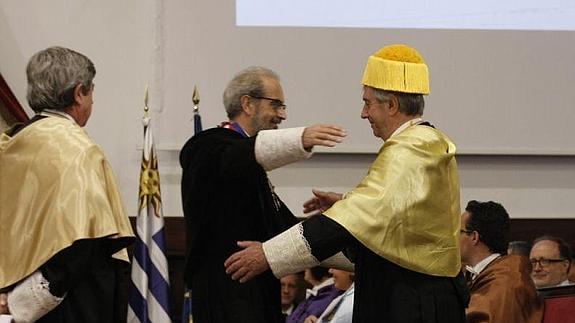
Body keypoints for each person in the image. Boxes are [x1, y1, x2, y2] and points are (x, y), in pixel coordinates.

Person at [224, 44, 468, 322]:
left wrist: (268, 255)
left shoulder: (411, 149)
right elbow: (396, 224)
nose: (363, 114)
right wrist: (344, 204)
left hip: (412, 304)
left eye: (368, 103)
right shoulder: (421, 143)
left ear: (392, 105)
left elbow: (359, 217)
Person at [179, 66, 346, 323]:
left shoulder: (253, 168)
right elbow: (232, 157)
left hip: (258, 302)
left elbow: (285, 232)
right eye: (276, 105)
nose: (282, 115)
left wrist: (338, 221)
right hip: (227, 303)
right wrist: (299, 139)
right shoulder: (207, 146)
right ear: (247, 103)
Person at [0, 46, 134, 322]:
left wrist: (9, 300)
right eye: (91, 92)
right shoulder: (78, 149)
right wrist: (20, 304)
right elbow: (80, 243)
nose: (92, 102)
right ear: (78, 93)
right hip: (71, 306)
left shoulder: (10, 143)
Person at [459, 200, 543, 323]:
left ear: (474, 237)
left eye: (458, 232)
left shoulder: (506, 282)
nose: (453, 238)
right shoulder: (484, 275)